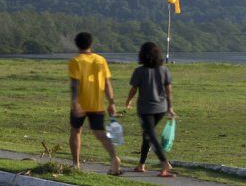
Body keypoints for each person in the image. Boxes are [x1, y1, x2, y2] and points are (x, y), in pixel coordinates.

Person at [66, 32, 123, 175]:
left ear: (77, 44)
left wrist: (74, 102)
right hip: (97, 104)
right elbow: (107, 83)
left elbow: (75, 84)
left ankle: (76, 164)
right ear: (91, 44)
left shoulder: (76, 61)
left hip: (80, 103)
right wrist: (111, 102)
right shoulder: (100, 60)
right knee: (100, 134)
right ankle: (114, 158)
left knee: (75, 131)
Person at [125, 40, 177, 178]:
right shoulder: (164, 70)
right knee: (147, 135)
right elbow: (168, 91)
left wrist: (128, 100)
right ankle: (141, 164)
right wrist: (170, 108)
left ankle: (165, 163)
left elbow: (134, 89)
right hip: (161, 108)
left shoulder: (139, 71)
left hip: (145, 109)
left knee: (151, 135)